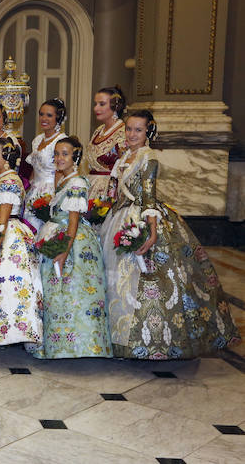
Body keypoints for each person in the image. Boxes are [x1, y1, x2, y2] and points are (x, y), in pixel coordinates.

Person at [101, 110, 240, 359]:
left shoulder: (148, 158)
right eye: (129, 129)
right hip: (119, 217)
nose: (132, 134)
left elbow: (149, 197)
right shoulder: (125, 156)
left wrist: (152, 233)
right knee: (116, 280)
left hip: (142, 219)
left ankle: (152, 342)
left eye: (138, 130)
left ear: (148, 133)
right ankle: (114, 334)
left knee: (146, 281)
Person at [31, 137, 111, 359]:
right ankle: (54, 342)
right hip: (57, 231)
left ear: (75, 156)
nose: (59, 158)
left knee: (69, 289)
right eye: (56, 154)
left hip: (71, 238)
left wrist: (65, 250)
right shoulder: (65, 180)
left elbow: (73, 222)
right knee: (53, 291)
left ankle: (76, 344)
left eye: (64, 154)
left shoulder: (76, 183)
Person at [0, 138, 43, 347]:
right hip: (1, 230)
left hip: (7, 235)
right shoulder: (4, 178)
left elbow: (3, 222)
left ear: (6, 158)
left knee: (5, 284)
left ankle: (7, 331)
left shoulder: (8, 182)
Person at [24, 99, 69, 232]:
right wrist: (28, 187)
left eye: (49, 115)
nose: (44, 118)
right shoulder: (37, 140)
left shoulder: (61, 141)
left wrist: (55, 197)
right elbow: (35, 167)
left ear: (58, 118)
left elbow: (61, 171)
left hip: (50, 190)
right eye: (41, 114)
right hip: (34, 190)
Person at [85, 85, 127, 206]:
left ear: (115, 106)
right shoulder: (99, 130)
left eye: (102, 104)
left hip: (110, 194)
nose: (96, 108)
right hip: (92, 189)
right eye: (96, 104)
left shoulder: (123, 132)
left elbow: (125, 170)